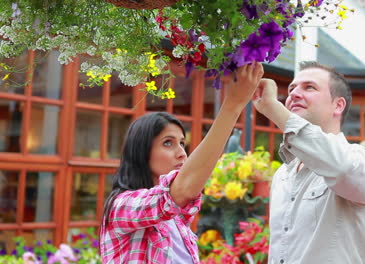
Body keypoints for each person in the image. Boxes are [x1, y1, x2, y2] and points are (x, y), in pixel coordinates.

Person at [99, 62, 264, 263]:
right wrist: (233, 105)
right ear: (141, 152)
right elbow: (180, 191)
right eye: (168, 143)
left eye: (182, 143)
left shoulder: (176, 219)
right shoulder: (121, 206)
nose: (181, 154)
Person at [252, 61, 365, 264]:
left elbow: (340, 167)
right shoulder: (283, 175)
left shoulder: (362, 160)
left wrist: (274, 110)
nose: (294, 94)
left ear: (338, 105)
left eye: (309, 87)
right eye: (291, 88)